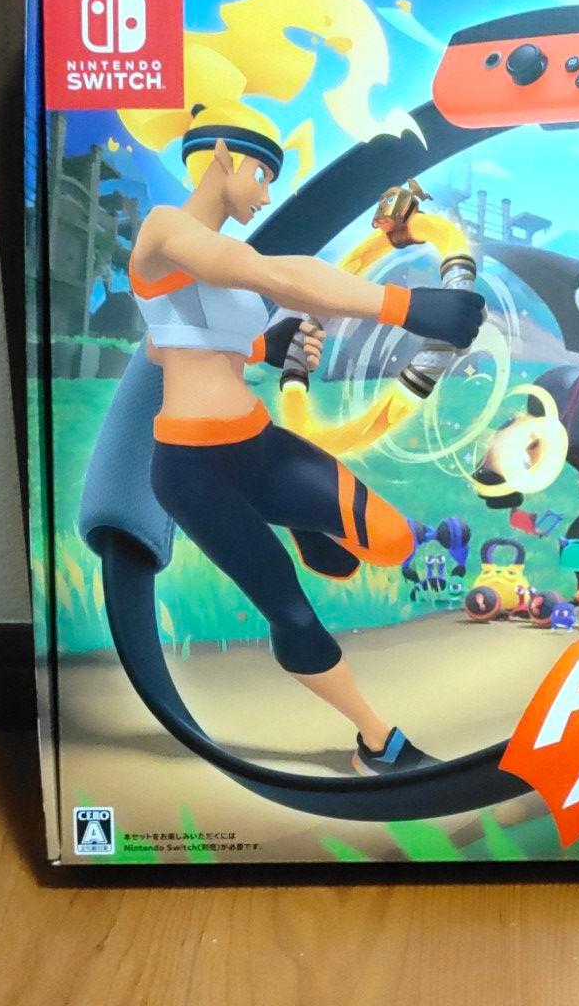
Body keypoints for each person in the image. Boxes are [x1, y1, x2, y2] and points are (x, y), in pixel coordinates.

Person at [128, 100, 485, 774]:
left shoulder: (212, 260)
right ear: (223, 157)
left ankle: (299, 520)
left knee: (392, 541)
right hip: (194, 472)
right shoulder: (166, 228)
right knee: (291, 612)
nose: (266, 194)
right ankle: (377, 742)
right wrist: (406, 306)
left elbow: (165, 342)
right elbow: (274, 275)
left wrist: (266, 346)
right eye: (263, 175)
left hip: (259, 447)